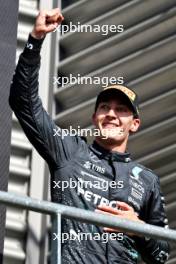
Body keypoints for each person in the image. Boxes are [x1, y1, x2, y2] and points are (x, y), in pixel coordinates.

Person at [9, 8, 170, 264]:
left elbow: (162, 254)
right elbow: (24, 103)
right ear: (94, 119)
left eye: (121, 110)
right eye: (104, 108)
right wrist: (35, 40)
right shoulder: (70, 152)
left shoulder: (148, 180)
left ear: (135, 124)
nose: (111, 114)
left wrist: (138, 227)